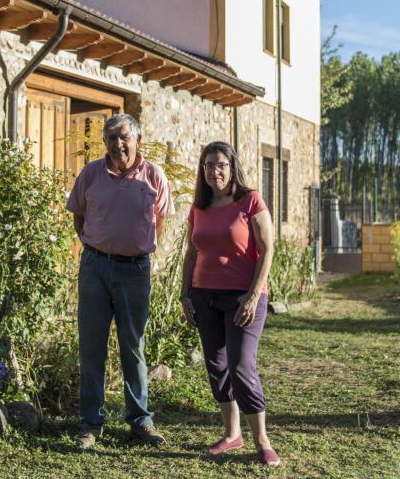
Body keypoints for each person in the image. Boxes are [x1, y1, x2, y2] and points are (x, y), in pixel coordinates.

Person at [67, 113, 173, 450]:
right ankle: (91, 423)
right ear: (105, 142)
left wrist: (136, 248)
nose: (118, 143)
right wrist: (97, 247)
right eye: (111, 137)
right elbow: (78, 215)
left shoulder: (154, 176)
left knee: (133, 346)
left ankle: (140, 421)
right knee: (92, 347)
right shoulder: (90, 174)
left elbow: (161, 221)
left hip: (135, 270)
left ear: (138, 139)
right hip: (95, 267)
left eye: (124, 136)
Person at [180, 141, 280, 466]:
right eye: (208, 165)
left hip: (243, 297)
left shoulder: (249, 201)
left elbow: (267, 250)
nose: (214, 171)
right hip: (203, 296)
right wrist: (184, 294)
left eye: (221, 164)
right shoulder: (199, 207)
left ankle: (262, 440)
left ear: (231, 166)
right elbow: (191, 254)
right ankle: (231, 433)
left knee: (240, 365)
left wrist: (253, 296)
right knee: (217, 366)